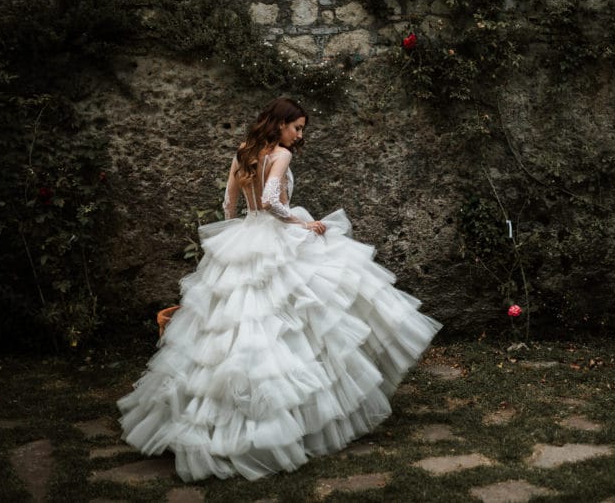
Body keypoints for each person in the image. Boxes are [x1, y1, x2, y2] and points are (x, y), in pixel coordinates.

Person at [118, 96, 442, 482]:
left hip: (246, 233)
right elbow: (273, 201)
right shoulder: (281, 155)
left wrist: (238, 234)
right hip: (278, 234)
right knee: (300, 319)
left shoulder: (243, 152)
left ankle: (220, 417)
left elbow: (228, 205)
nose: (299, 135)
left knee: (236, 324)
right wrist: (301, 224)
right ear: (279, 124)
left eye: (301, 128)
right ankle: (295, 420)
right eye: (297, 127)